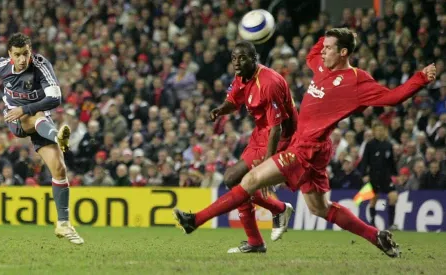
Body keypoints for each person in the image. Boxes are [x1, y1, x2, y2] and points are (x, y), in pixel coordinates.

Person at [174, 28, 436, 258]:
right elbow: (313, 52)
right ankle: (376, 236)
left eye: (330, 49)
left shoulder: (356, 80)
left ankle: (195, 220)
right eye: (324, 47)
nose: (322, 53)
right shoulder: (320, 64)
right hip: (315, 149)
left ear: (344, 52)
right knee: (320, 208)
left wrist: (420, 78)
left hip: (304, 149)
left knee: (249, 181)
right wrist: (330, 34)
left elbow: (392, 98)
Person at [0, 33, 84, 244]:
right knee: (37, 116)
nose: (23, 59)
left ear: (31, 50)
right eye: (18, 55)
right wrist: (19, 108)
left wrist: (25, 107)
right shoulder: (0, 67)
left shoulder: (41, 66)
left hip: (39, 123)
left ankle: (63, 224)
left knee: (59, 169)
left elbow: (56, 98)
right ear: (10, 55)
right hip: (16, 120)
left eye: (26, 53)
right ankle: (57, 135)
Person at [208, 41, 298, 253]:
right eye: (234, 58)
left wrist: (267, 165)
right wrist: (221, 110)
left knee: (232, 178)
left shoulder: (269, 83)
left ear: (254, 59)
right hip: (260, 133)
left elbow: (277, 127)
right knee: (235, 181)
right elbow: (234, 102)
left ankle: (278, 211)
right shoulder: (241, 77)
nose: (237, 63)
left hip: (280, 136)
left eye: (242, 58)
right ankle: (259, 237)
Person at [359, 123, 398, 230]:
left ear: (385, 131)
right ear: (374, 132)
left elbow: (391, 162)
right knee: (373, 200)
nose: (380, 132)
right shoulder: (370, 145)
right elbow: (364, 161)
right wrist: (364, 174)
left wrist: (395, 174)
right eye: (377, 130)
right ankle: (372, 222)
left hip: (386, 177)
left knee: (393, 197)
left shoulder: (388, 145)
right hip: (374, 177)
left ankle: (391, 224)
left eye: (382, 130)